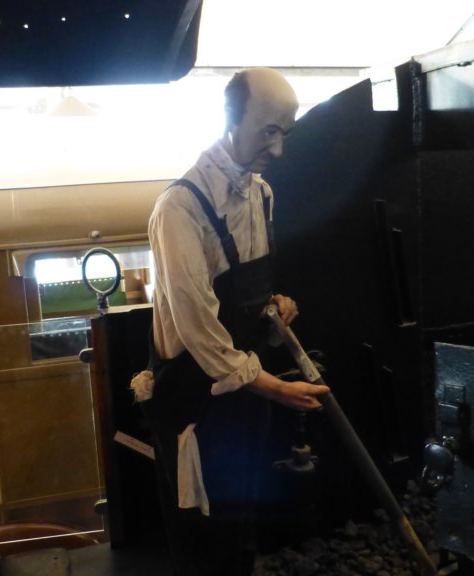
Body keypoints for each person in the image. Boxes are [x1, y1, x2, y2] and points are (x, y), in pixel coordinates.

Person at [132, 68, 330, 575]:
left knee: (244, 511)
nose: (278, 149)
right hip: (195, 399)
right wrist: (278, 390)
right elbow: (198, 328)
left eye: (286, 134)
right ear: (231, 119)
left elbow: (244, 289)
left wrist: (272, 305)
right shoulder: (180, 208)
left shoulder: (261, 194)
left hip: (247, 392)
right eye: (268, 132)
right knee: (204, 526)